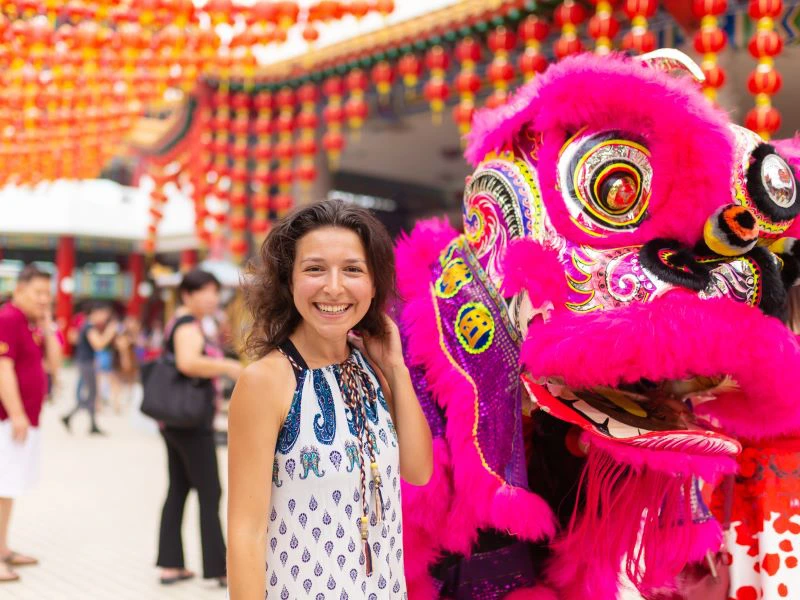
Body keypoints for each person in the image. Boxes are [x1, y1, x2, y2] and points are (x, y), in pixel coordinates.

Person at [227, 200, 433, 599]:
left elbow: (418, 470)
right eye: (315, 269)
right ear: (289, 281)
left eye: (353, 269)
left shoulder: (371, 366)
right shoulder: (266, 381)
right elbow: (245, 533)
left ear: (374, 285)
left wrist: (396, 368)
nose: (334, 287)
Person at [156, 269, 242, 587]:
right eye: (203, 292)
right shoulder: (187, 325)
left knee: (178, 488)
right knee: (210, 491)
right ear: (187, 295)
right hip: (191, 423)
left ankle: (171, 564)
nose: (211, 298)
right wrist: (228, 366)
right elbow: (187, 362)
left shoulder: (186, 322)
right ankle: (219, 568)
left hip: (177, 421)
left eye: (214, 292)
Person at [0, 265, 62, 583]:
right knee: (1, 487)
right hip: (7, 419)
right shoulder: (8, 318)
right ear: (19, 290)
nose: (43, 299)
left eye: (47, 294)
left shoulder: (31, 323)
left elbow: (55, 364)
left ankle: (2, 549)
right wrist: (16, 413)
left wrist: (48, 326)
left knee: (8, 486)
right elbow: (2, 367)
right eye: (37, 293)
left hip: (26, 418)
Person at [61, 302, 117, 435]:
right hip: (86, 363)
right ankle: (71, 416)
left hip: (86, 362)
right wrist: (110, 332)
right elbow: (99, 344)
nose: (105, 318)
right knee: (92, 394)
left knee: (92, 394)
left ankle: (90, 424)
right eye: (104, 314)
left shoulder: (86, 325)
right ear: (97, 313)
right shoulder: (89, 327)